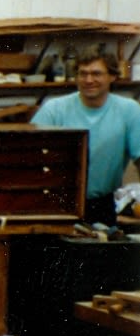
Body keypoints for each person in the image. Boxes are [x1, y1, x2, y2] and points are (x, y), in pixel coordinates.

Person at [33, 43, 140, 225]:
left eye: (96, 74)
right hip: (55, 203)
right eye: (83, 74)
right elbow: (31, 155)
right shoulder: (53, 109)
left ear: (112, 76)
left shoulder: (129, 110)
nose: (89, 80)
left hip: (102, 205)